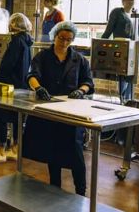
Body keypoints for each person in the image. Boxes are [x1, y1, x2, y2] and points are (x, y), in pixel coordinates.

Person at [23, 21, 94, 196]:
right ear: (55, 36)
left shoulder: (79, 60)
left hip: (72, 113)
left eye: (68, 40)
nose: (64, 43)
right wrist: (38, 88)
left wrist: (80, 90)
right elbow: (32, 75)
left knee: (76, 153)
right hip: (51, 112)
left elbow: (88, 82)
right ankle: (54, 187)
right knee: (52, 152)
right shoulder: (42, 57)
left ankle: (81, 193)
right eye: (61, 38)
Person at [0, 13, 34, 164]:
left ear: (14, 25)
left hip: (8, 85)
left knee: (2, 118)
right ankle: (15, 149)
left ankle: (0, 152)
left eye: (11, 23)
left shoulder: (16, 41)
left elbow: (7, 65)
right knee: (17, 118)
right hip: (21, 86)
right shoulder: (27, 41)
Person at [101, 0, 139, 102]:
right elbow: (109, 30)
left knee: (133, 77)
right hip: (123, 48)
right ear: (123, 1)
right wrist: (101, 44)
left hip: (137, 48)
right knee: (123, 76)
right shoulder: (117, 12)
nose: (131, 1)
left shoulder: (136, 13)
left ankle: (129, 100)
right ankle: (122, 99)